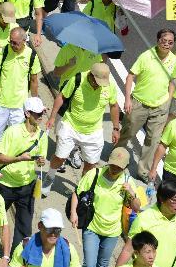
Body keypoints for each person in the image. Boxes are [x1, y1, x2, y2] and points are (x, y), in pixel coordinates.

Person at [42, 63, 120, 194]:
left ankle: (82, 188)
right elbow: (61, 97)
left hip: (93, 132)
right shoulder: (77, 79)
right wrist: (52, 117)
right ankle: (49, 176)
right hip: (70, 126)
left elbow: (114, 106)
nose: (99, 85)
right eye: (97, 82)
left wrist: (116, 128)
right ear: (91, 75)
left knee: (90, 164)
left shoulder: (109, 86)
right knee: (60, 157)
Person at [119, 29, 176, 181]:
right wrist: (127, 99)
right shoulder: (146, 56)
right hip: (139, 103)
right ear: (157, 40)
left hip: (160, 106)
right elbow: (130, 76)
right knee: (128, 132)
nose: (166, 44)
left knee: (153, 141)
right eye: (163, 41)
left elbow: (173, 80)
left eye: (170, 42)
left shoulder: (174, 60)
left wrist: (168, 100)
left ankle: (143, 171)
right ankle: (117, 157)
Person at [70, 147, 140, 267]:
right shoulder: (94, 174)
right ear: (108, 161)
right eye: (113, 165)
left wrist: (131, 193)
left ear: (125, 167)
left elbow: (137, 207)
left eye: (119, 167)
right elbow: (77, 193)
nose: (115, 169)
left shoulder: (127, 181)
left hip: (112, 232)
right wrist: (73, 213)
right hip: (92, 227)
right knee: (89, 266)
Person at [0, 96, 47, 247]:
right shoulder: (12, 132)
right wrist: (19, 159)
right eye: (37, 114)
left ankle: (17, 259)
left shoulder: (42, 136)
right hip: (5, 185)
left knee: (24, 228)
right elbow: (0, 158)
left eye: (42, 113)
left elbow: (39, 157)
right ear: (27, 114)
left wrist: (40, 161)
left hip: (27, 186)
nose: (40, 117)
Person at [0, 27, 40, 141]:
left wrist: (35, 103)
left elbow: (34, 80)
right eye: (11, 42)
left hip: (19, 106)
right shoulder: (3, 51)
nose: (12, 45)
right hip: (0, 103)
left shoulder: (32, 56)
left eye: (16, 43)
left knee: (15, 138)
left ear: (24, 41)